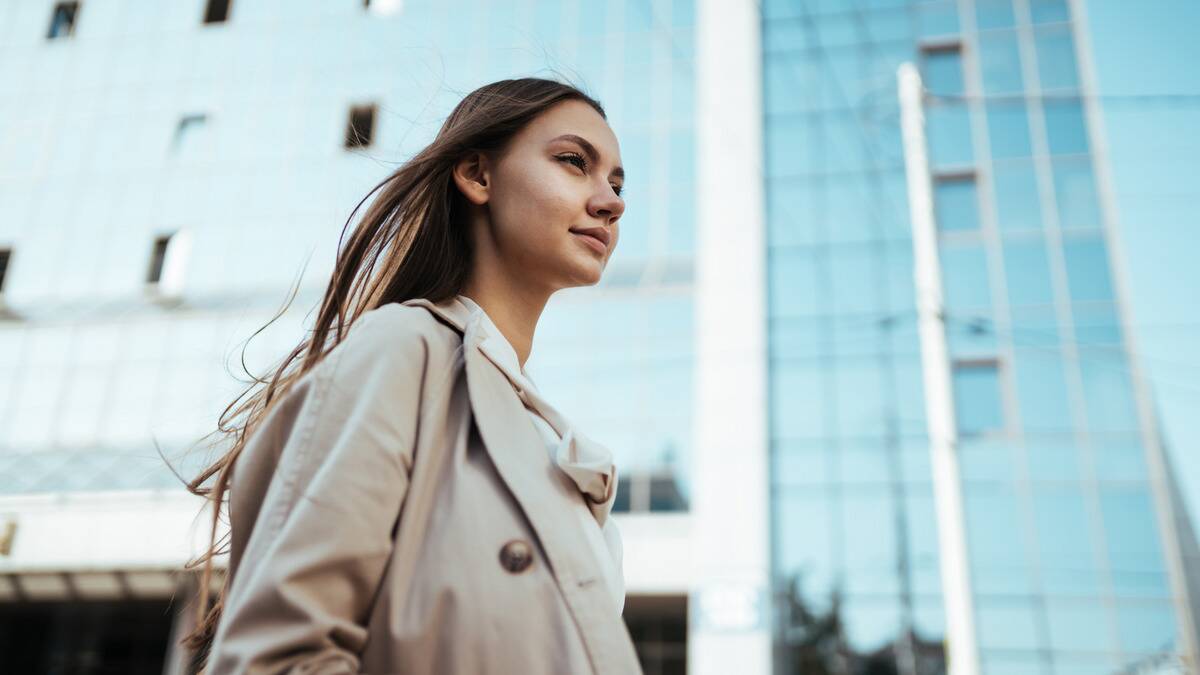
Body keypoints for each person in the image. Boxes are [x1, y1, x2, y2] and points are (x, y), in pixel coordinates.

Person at [178, 77, 642, 674]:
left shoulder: (550, 437)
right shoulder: (406, 350)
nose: (612, 200)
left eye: (617, 183)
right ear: (478, 175)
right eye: (574, 162)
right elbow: (282, 657)